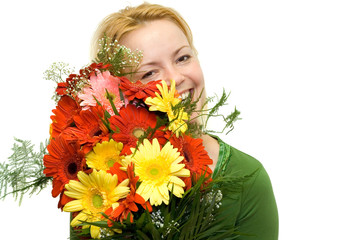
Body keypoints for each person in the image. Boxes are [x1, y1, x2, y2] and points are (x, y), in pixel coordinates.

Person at [90, 2, 278, 239]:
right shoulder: (100, 181)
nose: (175, 78)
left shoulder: (248, 178)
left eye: (182, 58)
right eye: (150, 72)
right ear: (118, 94)